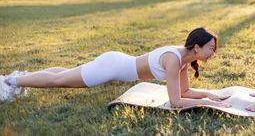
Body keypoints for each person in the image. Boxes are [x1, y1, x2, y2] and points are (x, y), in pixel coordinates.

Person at [0, 27, 230, 108]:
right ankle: (10, 82)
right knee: (59, 81)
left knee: (64, 73)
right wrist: (205, 102)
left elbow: (185, 92)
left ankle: (21, 77)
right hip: (110, 68)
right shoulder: (173, 60)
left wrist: (208, 94)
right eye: (211, 48)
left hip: (114, 61)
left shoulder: (183, 58)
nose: (213, 53)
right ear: (197, 47)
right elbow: (176, 101)